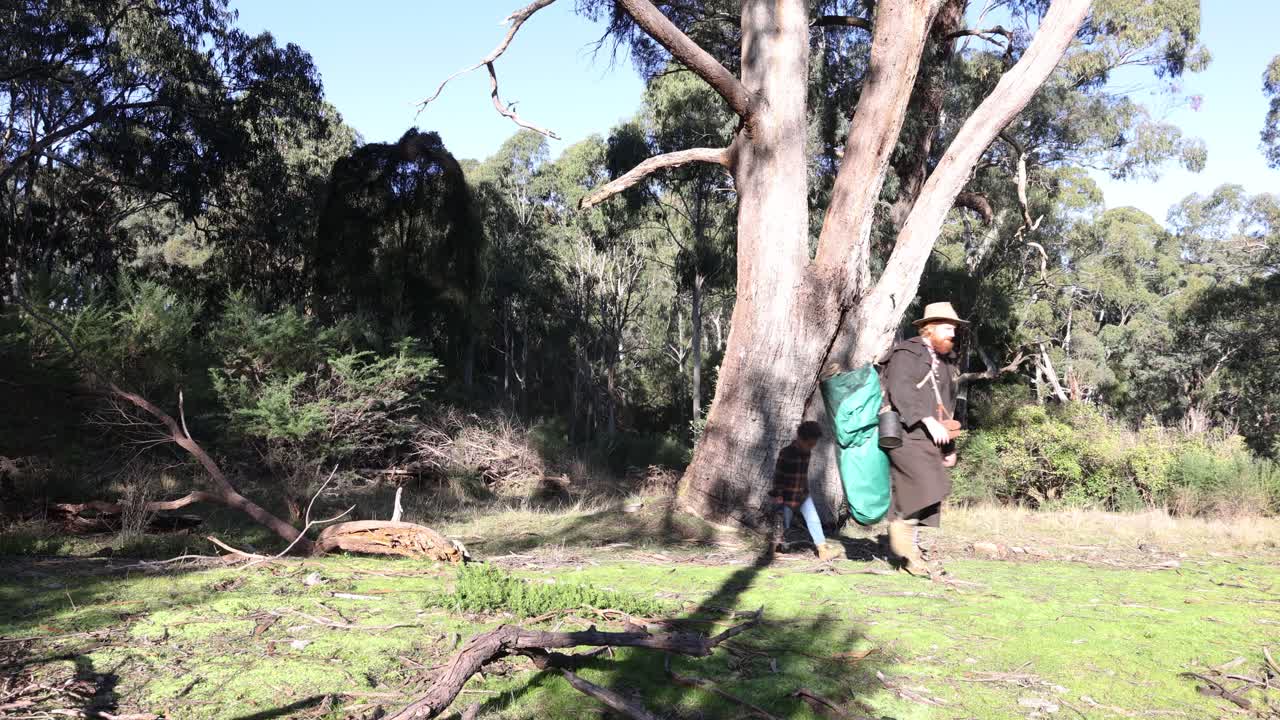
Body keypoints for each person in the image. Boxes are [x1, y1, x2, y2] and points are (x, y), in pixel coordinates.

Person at [881, 301, 966, 577]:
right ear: (929, 328)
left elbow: (944, 407)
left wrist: (949, 448)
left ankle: (910, 552)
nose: (952, 333)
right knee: (921, 490)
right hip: (905, 434)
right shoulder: (907, 352)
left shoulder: (943, 362)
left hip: (929, 439)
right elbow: (899, 389)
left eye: (954, 328)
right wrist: (926, 420)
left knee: (929, 493)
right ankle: (907, 553)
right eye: (946, 327)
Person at [768, 420, 843, 561]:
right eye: (809, 444)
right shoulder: (786, 453)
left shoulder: (807, 453)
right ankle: (774, 550)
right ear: (800, 438)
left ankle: (822, 550)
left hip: (803, 495)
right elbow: (779, 475)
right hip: (787, 496)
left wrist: (806, 491)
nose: (811, 447)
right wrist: (778, 494)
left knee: (813, 519)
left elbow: (803, 474)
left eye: (813, 444)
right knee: (783, 525)